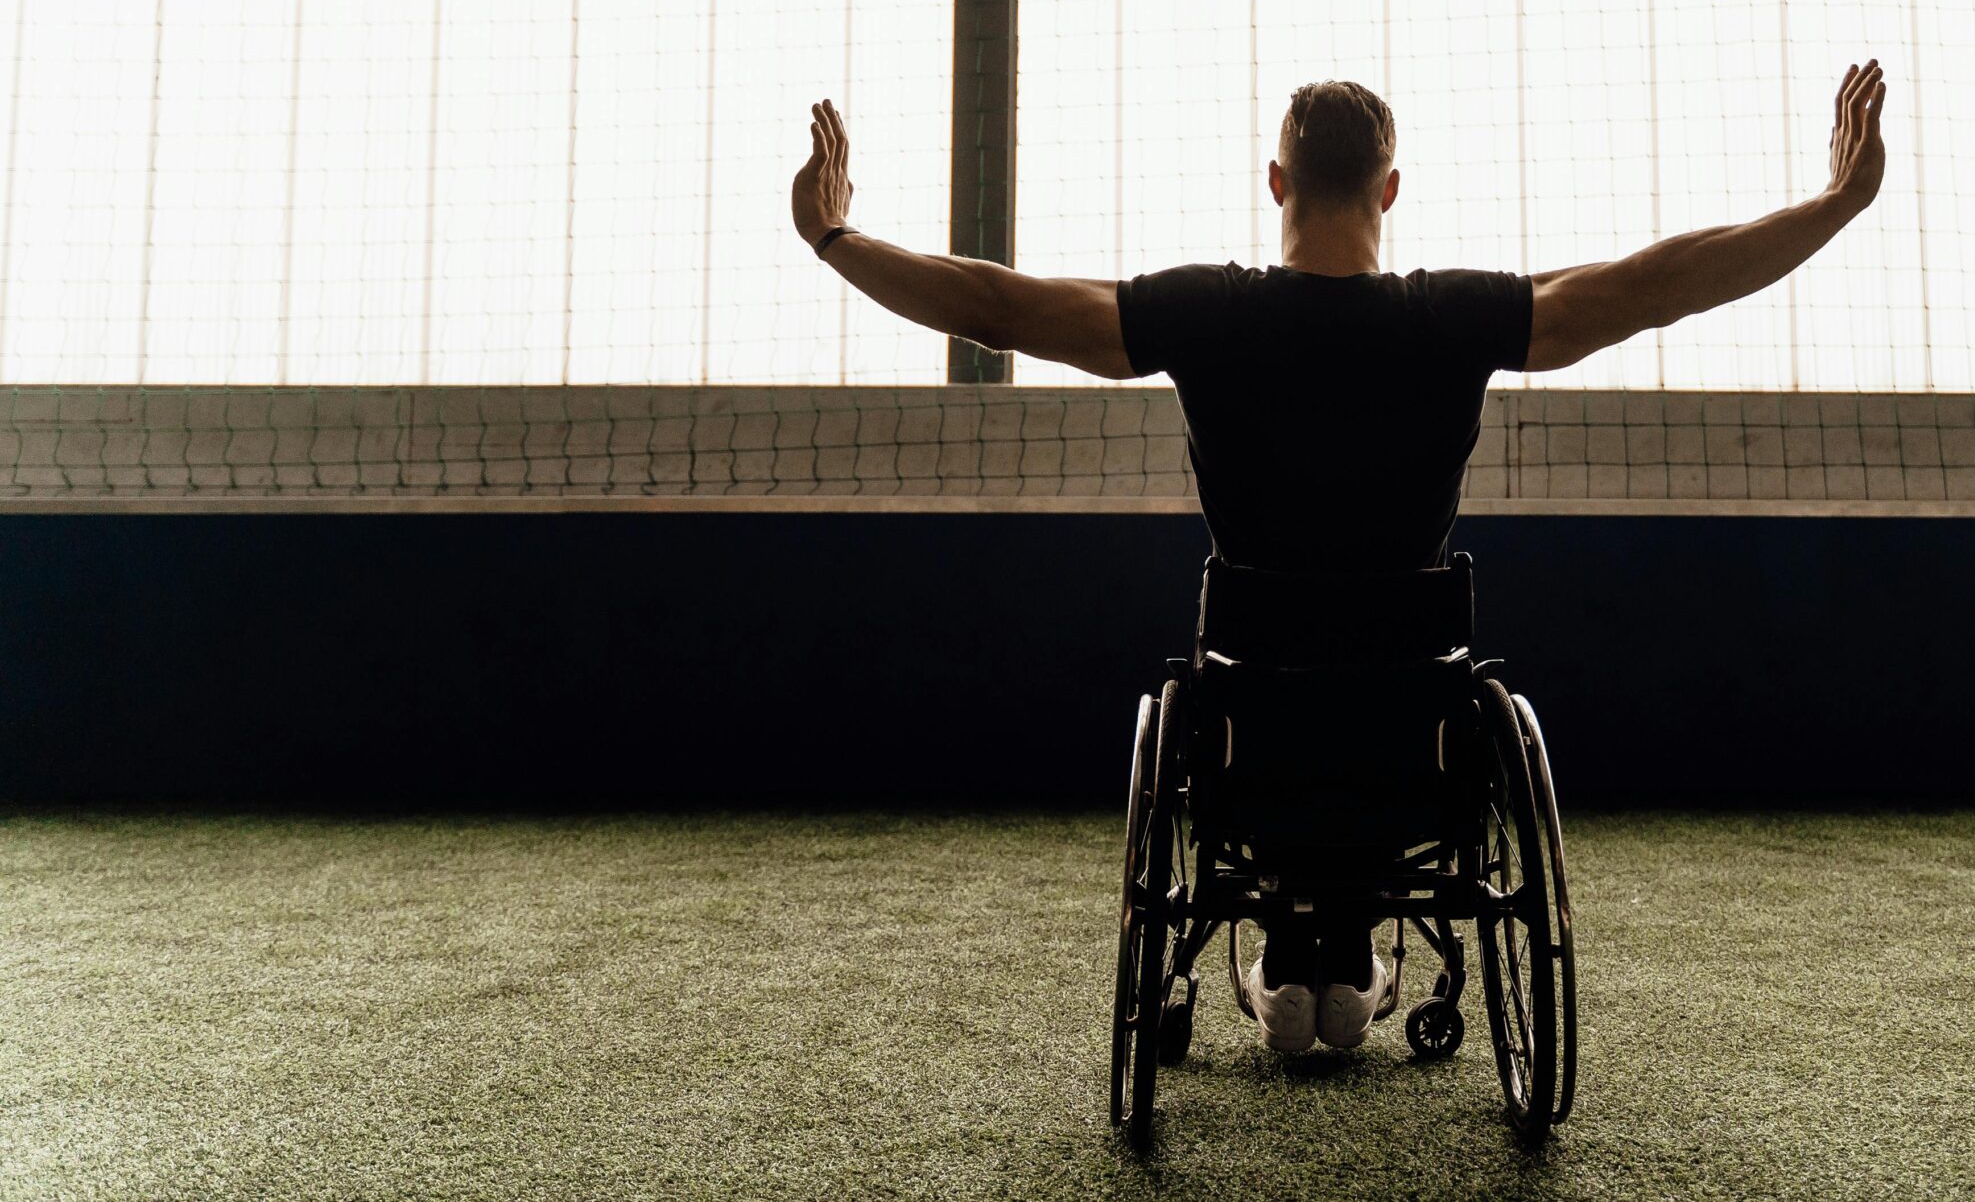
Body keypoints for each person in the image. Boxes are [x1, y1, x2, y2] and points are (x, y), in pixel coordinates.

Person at [790, 60, 1888, 1051]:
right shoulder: (1450, 317)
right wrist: (1831, 206)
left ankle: (1295, 946)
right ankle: (1346, 947)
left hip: (1249, 734)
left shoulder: (1208, 312)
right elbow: (1652, 285)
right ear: (1390, 190)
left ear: (1277, 183)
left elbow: (998, 307)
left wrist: (838, 240)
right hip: (1412, 736)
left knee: (1267, 702)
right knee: (1383, 707)